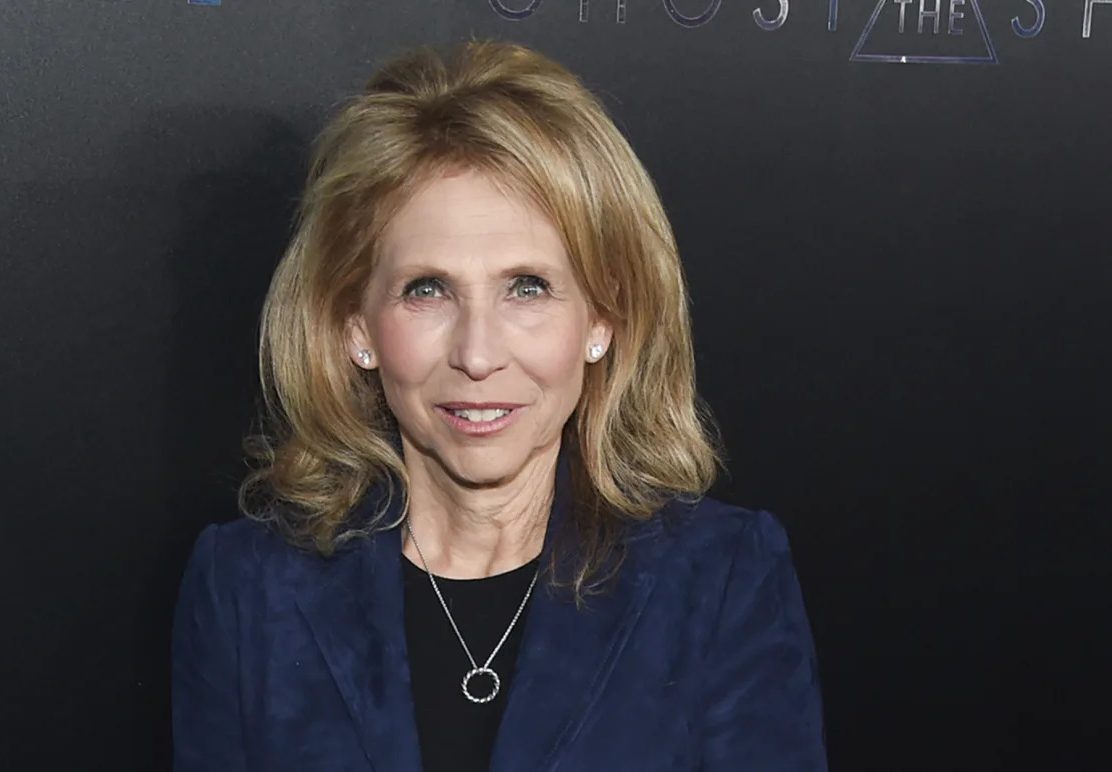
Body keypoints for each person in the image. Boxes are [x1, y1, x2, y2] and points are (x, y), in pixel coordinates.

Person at [171, 39, 826, 772]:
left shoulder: (721, 579)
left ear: (602, 318)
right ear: (355, 327)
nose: (477, 356)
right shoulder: (246, 589)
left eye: (527, 287)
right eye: (427, 290)